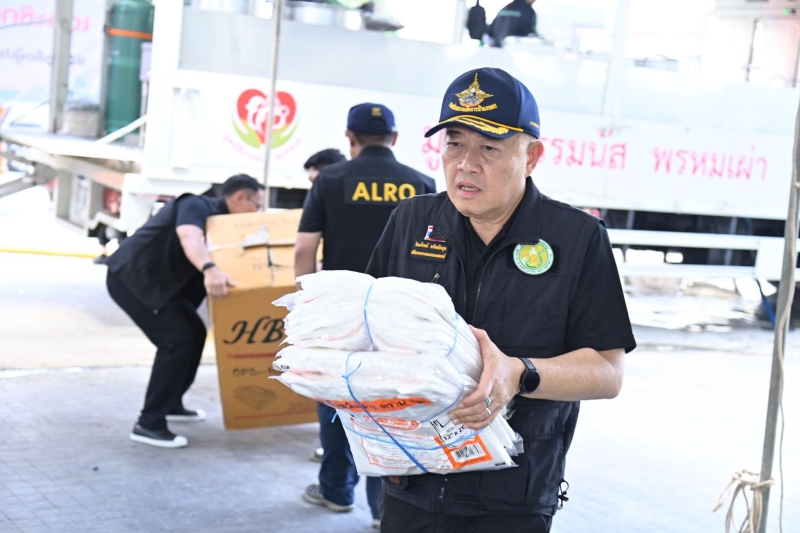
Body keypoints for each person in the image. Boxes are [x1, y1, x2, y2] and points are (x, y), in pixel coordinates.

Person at [365, 68, 636, 532]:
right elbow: (366, 327)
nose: (466, 164)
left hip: (512, 498)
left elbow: (607, 373)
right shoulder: (412, 221)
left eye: (488, 148)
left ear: (531, 156)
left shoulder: (576, 239)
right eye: (454, 143)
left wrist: (519, 374)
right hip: (409, 479)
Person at [294, 103, 436, 529]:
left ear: (349, 138)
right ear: (393, 138)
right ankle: (384, 506)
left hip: (342, 312)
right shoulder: (422, 183)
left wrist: (307, 307)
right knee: (391, 404)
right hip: (401, 315)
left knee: (338, 398)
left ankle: (336, 491)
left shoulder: (330, 179)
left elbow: (304, 249)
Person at [105, 174, 265, 449]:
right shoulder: (197, 205)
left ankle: (171, 402)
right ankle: (149, 423)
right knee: (176, 341)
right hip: (132, 279)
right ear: (240, 197)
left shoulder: (226, 226)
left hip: (163, 287)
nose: (258, 212)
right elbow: (189, 236)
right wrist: (209, 269)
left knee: (194, 332)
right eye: (257, 204)